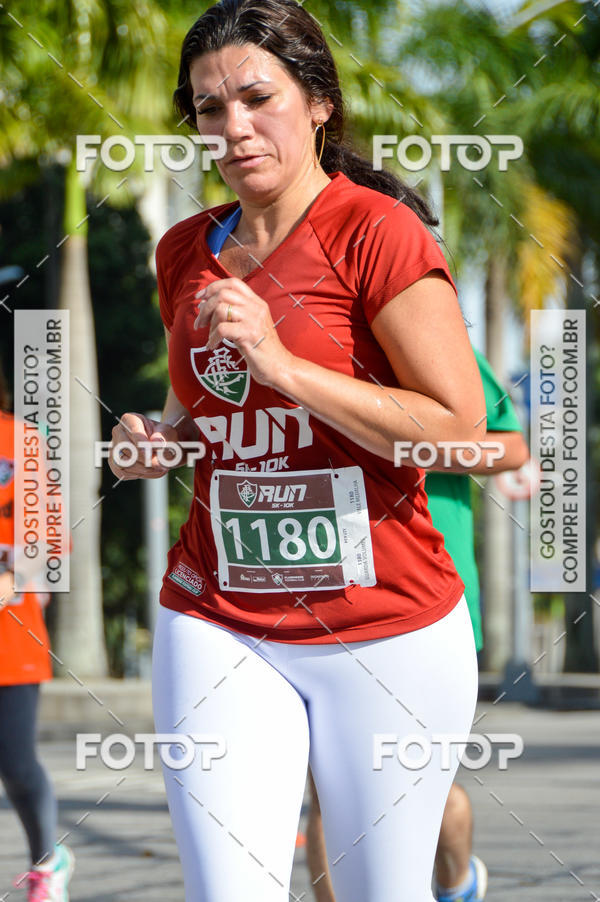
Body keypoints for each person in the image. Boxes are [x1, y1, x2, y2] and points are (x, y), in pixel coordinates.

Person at [109, 1, 488, 899]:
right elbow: (200, 410)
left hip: (383, 628)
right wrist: (157, 442)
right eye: (209, 109)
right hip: (218, 616)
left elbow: (459, 428)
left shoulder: (377, 232)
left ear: (317, 101)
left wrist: (282, 364)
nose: (233, 127)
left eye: (255, 97)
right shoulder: (183, 252)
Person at [305, 348, 530, 902]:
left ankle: (456, 881)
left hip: (433, 594)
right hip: (333, 595)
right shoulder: (315, 350)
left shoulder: (428, 341)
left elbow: (513, 446)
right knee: (328, 787)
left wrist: (414, 444)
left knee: (423, 783)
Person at [0, 358, 75, 901]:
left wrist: (11, 576)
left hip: (12, 637)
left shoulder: (19, 441)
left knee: (15, 762)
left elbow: (51, 540)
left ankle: (48, 862)